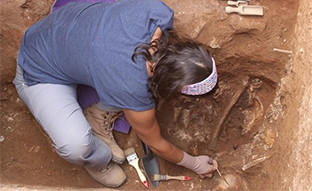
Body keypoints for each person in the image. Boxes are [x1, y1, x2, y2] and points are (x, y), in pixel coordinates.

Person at [13, 0, 218, 188]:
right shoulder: (132, 86)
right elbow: (156, 144)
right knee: (75, 146)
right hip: (39, 68)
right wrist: (195, 164)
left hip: (60, 30)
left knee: (123, 86)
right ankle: (97, 161)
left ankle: (97, 112)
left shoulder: (157, 13)